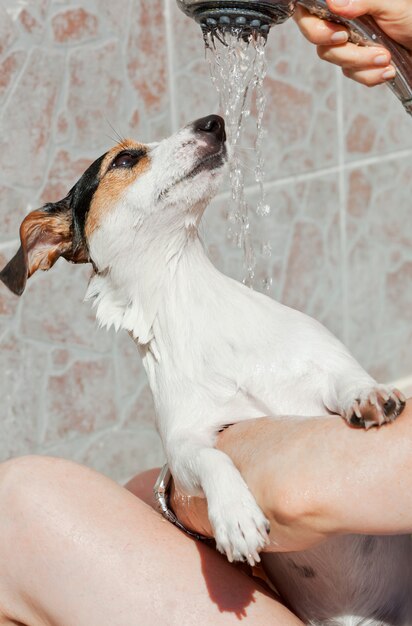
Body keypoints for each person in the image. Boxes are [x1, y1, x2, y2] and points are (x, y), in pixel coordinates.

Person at [1, 1, 412, 624]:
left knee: (25, 506)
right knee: (110, 492)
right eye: (127, 161)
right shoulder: (184, 371)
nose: (158, 153)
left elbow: (302, 482)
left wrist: (189, 483)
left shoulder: (279, 332)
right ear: (61, 241)